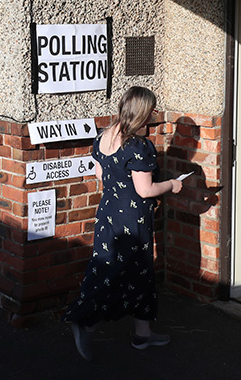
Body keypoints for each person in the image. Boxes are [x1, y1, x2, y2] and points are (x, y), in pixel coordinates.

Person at [63, 86, 182, 361]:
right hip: (132, 219)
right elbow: (146, 190)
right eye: (152, 109)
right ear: (144, 112)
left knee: (130, 269)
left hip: (108, 213)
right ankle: (86, 321)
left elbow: (100, 175)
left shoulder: (103, 135)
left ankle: (143, 333)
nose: (154, 114)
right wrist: (173, 184)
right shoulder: (139, 146)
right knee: (122, 272)